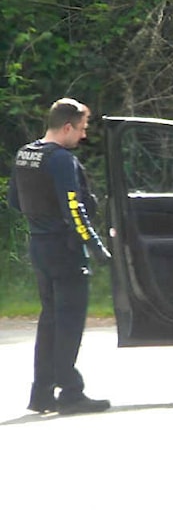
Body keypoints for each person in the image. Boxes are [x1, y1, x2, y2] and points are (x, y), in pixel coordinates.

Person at [8, 98, 113, 415]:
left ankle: (41, 394)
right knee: (68, 324)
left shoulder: (26, 154)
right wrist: (97, 248)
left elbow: (15, 201)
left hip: (39, 248)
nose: (83, 136)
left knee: (50, 321)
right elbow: (74, 210)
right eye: (81, 129)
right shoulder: (60, 160)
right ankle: (70, 392)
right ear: (67, 126)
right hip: (64, 250)